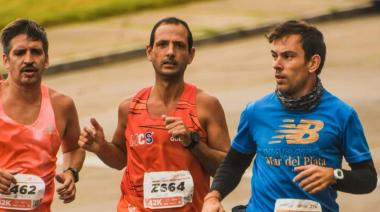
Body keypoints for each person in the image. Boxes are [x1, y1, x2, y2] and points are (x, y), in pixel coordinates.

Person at [202, 20, 377, 212]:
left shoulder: (342, 114)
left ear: (313, 63)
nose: (276, 65)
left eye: (287, 56)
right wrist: (213, 197)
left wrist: (334, 175)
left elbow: (368, 179)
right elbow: (234, 163)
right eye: (274, 56)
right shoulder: (256, 111)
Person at [79, 17, 230, 211]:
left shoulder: (206, 106)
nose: (170, 52)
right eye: (162, 45)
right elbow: (119, 160)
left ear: (191, 55)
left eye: (179, 46)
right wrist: (101, 148)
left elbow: (226, 170)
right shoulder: (130, 108)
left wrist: (193, 143)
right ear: (149, 52)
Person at [0, 19, 85, 212]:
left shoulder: (62, 105)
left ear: (46, 60)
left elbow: (74, 148)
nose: (28, 59)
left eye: (36, 52)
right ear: (6, 60)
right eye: (20, 52)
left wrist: (71, 173)